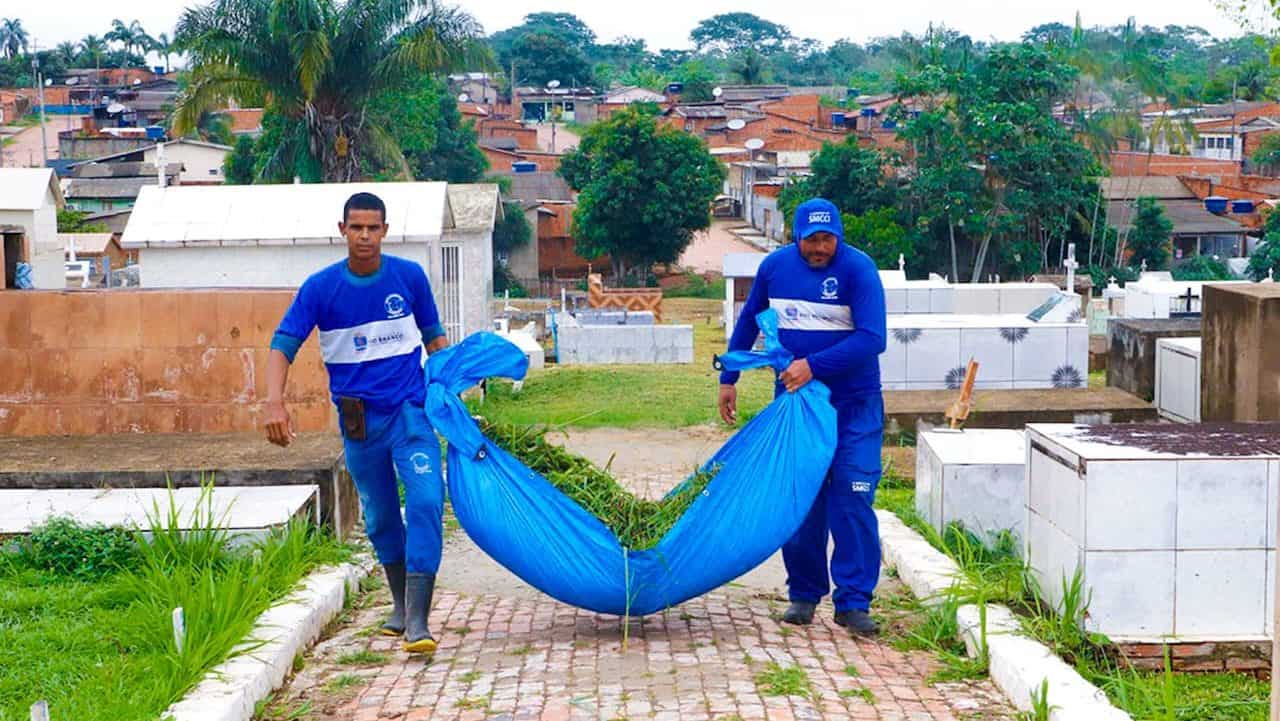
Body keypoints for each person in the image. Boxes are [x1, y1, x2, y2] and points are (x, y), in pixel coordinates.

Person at [264, 192, 449, 655]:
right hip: (359, 424)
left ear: (385, 230)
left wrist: (450, 395)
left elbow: (435, 341)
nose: (364, 236)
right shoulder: (321, 288)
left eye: (373, 227)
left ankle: (419, 622)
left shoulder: (409, 278)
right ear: (342, 230)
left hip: (411, 415)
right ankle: (401, 606)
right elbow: (282, 345)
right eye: (356, 227)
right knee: (382, 516)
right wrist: (273, 403)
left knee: (426, 501)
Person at [717, 198, 887, 635]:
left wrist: (813, 365)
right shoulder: (775, 268)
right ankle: (804, 594)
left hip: (853, 405)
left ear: (839, 235)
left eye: (827, 238)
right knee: (802, 497)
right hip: (795, 404)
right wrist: (729, 377)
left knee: (852, 494)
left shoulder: (858, 270)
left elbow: (872, 339)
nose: (819, 247)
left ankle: (853, 601)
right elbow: (750, 320)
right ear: (796, 237)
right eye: (811, 239)